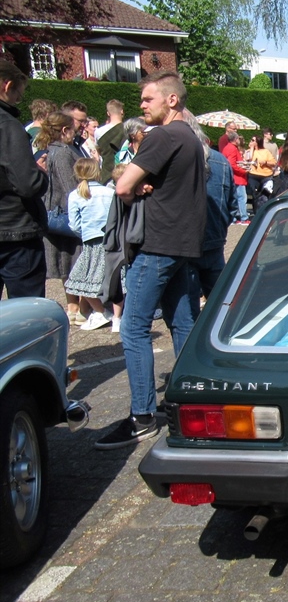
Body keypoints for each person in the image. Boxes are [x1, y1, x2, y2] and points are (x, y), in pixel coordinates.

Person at [95, 70, 207, 450]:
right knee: (183, 323)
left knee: (133, 328)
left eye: (147, 99)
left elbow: (122, 186)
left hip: (158, 244)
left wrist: (135, 190)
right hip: (183, 245)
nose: (141, 105)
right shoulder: (190, 138)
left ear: (171, 100)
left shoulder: (162, 135)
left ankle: (142, 416)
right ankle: (192, 399)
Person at [0, 62, 49, 298]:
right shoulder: (7, 124)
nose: (17, 101)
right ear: (7, 85)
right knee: (26, 312)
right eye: (18, 96)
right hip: (14, 232)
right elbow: (28, 184)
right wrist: (40, 173)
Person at [34, 111, 84, 322]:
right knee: (73, 262)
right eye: (73, 129)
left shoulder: (51, 149)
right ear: (65, 130)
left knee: (68, 264)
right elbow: (69, 187)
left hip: (57, 213)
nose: (76, 132)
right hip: (65, 215)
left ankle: (74, 307)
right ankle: (78, 308)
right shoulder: (62, 152)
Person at [183, 110, 237, 302]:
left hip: (184, 247)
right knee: (221, 306)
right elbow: (232, 207)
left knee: (187, 311)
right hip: (214, 241)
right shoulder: (220, 161)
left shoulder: (176, 159)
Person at [64, 157, 113, 330]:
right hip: (110, 239)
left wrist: (84, 233)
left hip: (91, 242)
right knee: (114, 278)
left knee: (79, 281)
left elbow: (74, 225)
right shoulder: (109, 192)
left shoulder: (75, 195)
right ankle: (109, 312)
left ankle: (101, 312)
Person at [222, 131, 249, 225]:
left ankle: (233, 218)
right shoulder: (233, 149)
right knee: (242, 198)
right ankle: (244, 218)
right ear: (235, 139)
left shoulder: (227, 147)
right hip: (237, 177)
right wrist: (243, 171)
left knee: (234, 198)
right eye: (238, 139)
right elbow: (232, 164)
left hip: (232, 176)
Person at [246, 134, 277, 215]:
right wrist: (252, 148)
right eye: (251, 140)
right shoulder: (249, 151)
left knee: (265, 195)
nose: (251, 141)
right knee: (254, 195)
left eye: (253, 140)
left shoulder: (265, 152)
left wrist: (266, 162)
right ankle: (256, 212)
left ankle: (264, 212)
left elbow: (274, 162)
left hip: (265, 176)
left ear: (258, 142)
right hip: (253, 175)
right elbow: (248, 159)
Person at [96, 100, 126, 181]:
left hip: (106, 172)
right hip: (124, 172)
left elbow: (98, 151)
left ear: (108, 113)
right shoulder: (127, 129)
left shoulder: (98, 131)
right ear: (122, 111)